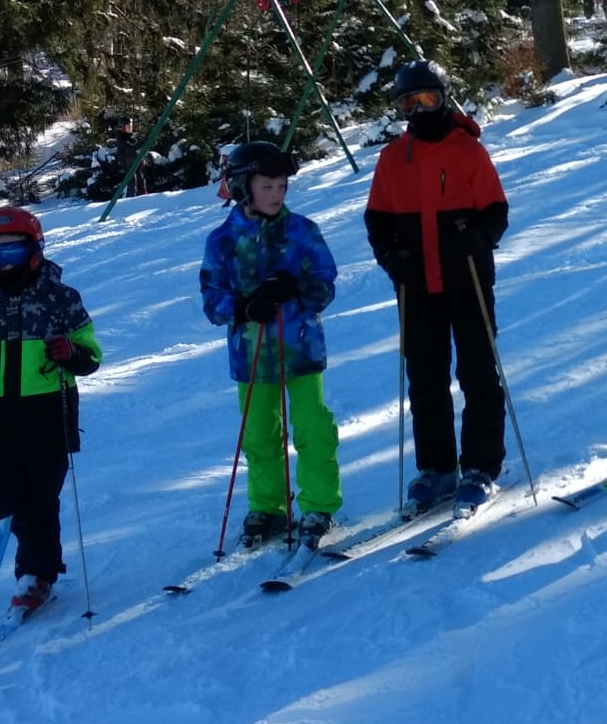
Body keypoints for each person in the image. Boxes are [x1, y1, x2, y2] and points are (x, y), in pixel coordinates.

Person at [0, 207, 102, 613]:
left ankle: (36, 574)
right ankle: (24, 541)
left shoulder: (61, 299)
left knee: (39, 498)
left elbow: (92, 356)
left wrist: (71, 353)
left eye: (15, 251)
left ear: (36, 249)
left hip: (47, 413)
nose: (7, 262)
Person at [364, 60, 509, 513]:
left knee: (478, 373)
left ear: (445, 99)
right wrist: (391, 257)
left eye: (429, 98)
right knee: (426, 378)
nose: (421, 109)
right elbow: (377, 219)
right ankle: (438, 468)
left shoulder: (468, 150)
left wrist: (478, 238)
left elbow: (496, 210)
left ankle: (481, 466)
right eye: (410, 102)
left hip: (467, 279)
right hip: (417, 285)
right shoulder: (393, 158)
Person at [199, 141, 341, 547]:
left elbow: (325, 283)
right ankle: (268, 506)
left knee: (313, 426)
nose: (277, 194)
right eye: (267, 186)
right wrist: (244, 307)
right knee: (259, 435)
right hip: (251, 354)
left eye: (282, 186)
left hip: (301, 348)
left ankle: (318, 506)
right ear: (243, 188)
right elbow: (211, 299)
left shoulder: (302, 231)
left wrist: (296, 288)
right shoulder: (222, 240)